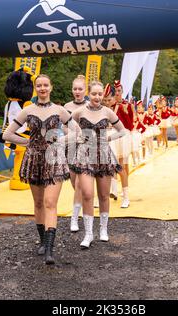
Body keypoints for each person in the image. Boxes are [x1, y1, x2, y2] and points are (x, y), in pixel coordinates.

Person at [3, 74, 81, 265]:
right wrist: (27, 142)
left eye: (46, 85)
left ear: (51, 87)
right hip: (34, 160)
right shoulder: (27, 111)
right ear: (35, 88)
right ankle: (42, 241)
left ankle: (49, 249)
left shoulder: (60, 110)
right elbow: (7, 133)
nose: (43, 88)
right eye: (39, 85)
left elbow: (78, 132)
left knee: (49, 202)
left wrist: (60, 141)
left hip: (55, 160)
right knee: (38, 203)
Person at [71, 81, 128, 248]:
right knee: (87, 194)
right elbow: (66, 125)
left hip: (103, 155)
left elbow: (123, 130)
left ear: (103, 95)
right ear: (89, 93)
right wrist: (77, 136)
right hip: (85, 155)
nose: (97, 97)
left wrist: (108, 138)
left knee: (103, 195)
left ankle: (103, 229)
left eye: (100, 94)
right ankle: (88, 234)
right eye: (94, 93)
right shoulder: (79, 111)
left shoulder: (108, 112)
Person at [64, 75, 89, 232]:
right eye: (75, 89)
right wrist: (74, 135)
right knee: (74, 183)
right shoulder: (67, 106)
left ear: (85, 90)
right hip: (71, 147)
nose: (77, 91)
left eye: (80, 89)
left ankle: (74, 218)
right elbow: (64, 126)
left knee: (80, 184)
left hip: (86, 148)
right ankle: (84, 201)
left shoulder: (90, 105)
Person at [112, 80, 133, 208]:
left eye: (119, 91)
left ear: (122, 92)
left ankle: (125, 192)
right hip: (112, 137)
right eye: (116, 91)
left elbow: (130, 125)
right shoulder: (110, 105)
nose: (117, 94)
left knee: (122, 165)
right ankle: (113, 190)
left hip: (123, 136)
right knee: (111, 164)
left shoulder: (127, 105)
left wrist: (125, 112)